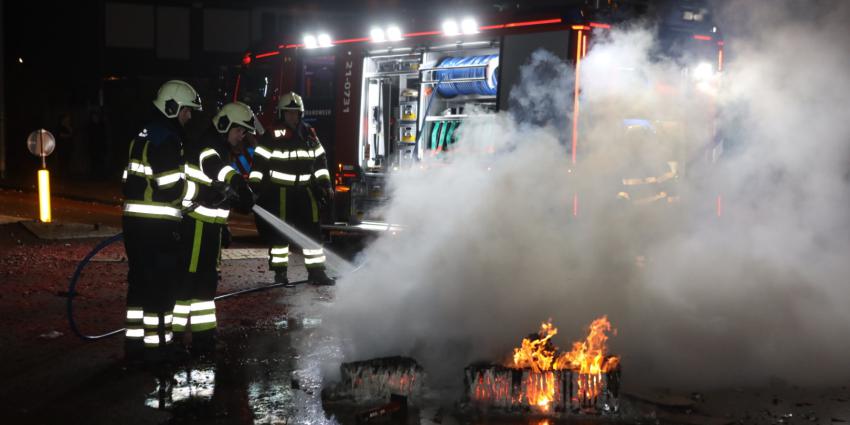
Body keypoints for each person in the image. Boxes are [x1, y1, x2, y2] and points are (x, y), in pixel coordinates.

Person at [121, 80, 202, 365]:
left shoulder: (141, 135)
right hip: (158, 227)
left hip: (134, 225)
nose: (189, 116)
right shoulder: (166, 137)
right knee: (162, 289)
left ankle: (134, 346)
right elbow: (169, 185)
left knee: (139, 285)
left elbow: (128, 180)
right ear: (172, 107)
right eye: (186, 111)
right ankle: (159, 349)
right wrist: (196, 192)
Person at [174, 102, 256, 356]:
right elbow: (214, 168)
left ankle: (202, 338)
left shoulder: (218, 147)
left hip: (208, 227)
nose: (241, 136)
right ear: (224, 125)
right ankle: (178, 338)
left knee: (204, 284)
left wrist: (224, 226)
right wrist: (237, 183)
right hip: (197, 226)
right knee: (192, 283)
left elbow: (217, 191)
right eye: (239, 131)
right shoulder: (208, 146)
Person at [249, 92, 335, 286]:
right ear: (281, 113)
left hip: (305, 191)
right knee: (279, 235)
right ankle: (280, 274)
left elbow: (321, 161)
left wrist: (325, 185)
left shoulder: (309, 134)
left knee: (312, 233)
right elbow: (259, 164)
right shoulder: (271, 135)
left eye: (295, 113)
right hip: (279, 193)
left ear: (301, 114)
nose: (292, 117)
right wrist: (254, 189)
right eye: (288, 113)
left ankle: (317, 272)